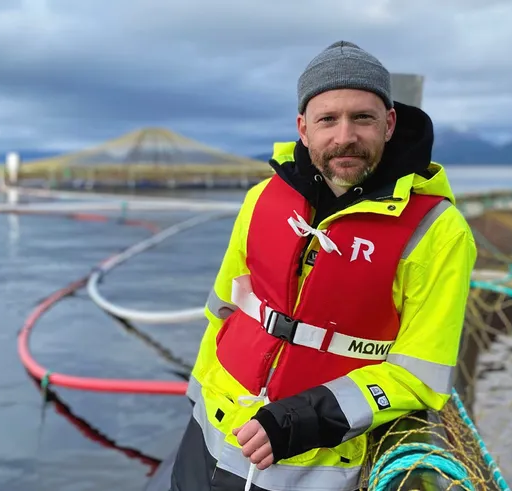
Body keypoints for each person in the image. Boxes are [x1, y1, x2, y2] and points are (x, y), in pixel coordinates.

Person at [166, 40, 477, 491]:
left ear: (389, 123)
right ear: (303, 127)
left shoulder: (438, 232)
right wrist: (199, 400)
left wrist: (300, 419)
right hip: (206, 439)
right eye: (327, 119)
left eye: (363, 118)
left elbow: (421, 375)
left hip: (314, 468)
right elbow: (223, 310)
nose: (344, 136)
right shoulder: (261, 200)